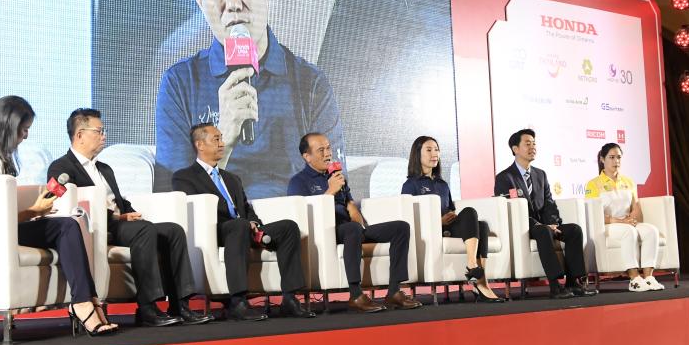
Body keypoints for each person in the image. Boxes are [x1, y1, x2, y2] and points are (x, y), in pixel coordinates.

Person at [154, 0, 345, 199]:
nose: (233, 2)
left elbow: (336, 183)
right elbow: (172, 198)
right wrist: (224, 140)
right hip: (221, 221)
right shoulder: (180, 84)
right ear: (199, 0)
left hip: (294, 218)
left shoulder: (311, 83)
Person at [0, 96, 117, 337]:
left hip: (2, 229)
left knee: (68, 226)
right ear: (9, 126)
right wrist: (33, 211)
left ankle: (88, 300)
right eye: (24, 129)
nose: (25, 136)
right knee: (66, 227)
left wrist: (36, 211)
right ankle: (83, 303)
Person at [48, 109, 213, 327]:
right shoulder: (61, 167)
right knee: (145, 230)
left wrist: (129, 213)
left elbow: (119, 201)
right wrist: (119, 217)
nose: (104, 136)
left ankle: (180, 305)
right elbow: (70, 206)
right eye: (99, 131)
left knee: (173, 230)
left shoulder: (104, 168)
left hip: (121, 224)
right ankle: (147, 307)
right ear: (79, 135)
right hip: (98, 227)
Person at [172, 123, 315, 321]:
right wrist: (243, 224)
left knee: (289, 227)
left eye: (221, 138)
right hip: (217, 230)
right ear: (200, 145)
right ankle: (238, 301)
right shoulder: (184, 177)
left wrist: (253, 222)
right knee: (238, 225)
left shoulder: (232, 178)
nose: (222, 143)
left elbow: (246, 208)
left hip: (244, 228)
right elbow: (197, 210)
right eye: (216, 139)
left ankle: (290, 299)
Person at [288, 132, 422, 312]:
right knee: (352, 229)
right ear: (307, 156)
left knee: (400, 227)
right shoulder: (298, 182)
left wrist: (354, 212)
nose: (328, 154)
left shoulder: (336, 176)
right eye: (321, 150)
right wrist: (330, 191)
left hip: (352, 230)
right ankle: (356, 294)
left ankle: (394, 291)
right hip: (327, 232)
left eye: (328, 148)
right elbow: (304, 216)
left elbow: (351, 208)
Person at [494, 129, 597, 299]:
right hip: (524, 227)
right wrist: (542, 225)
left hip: (546, 225)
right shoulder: (505, 177)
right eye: (527, 144)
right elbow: (510, 210)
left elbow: (549, 203)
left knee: (574, 230)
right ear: (515, 149)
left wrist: (553, 223)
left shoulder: (540, 174)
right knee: (543, 231)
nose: (532, 147)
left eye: (534, 144)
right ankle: (555, 286)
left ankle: (574, 282)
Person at [402, 136, 502, 302]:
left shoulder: (443, 184)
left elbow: (450, 208)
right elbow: (409, 217)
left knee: (482, 225)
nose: (434, 154)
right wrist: (438, 222)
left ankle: (480, 280)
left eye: (437, 150)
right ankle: (473, 268)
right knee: (471, 213)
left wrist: (451, 215)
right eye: (429, 150)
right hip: (431, 231)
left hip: (448, 227)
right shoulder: (410, 185)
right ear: (417, 154)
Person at [585, 143, 664, 292]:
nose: (616, 161)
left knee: (651, 230)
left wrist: (632, 219)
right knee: (629, 232)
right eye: (611, 157)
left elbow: (636, 207)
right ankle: (634, 279)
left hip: (627, 223)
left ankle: (648, 278)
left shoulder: (628, 182)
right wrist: (621, 222)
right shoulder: (593, 184)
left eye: (619, 157)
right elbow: (594, 214)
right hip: (607, 225)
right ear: (602, 159)